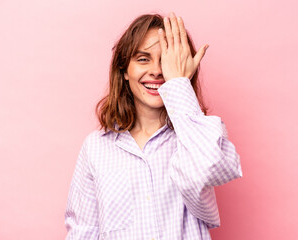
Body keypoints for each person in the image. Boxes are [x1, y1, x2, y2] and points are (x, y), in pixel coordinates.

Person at [64, 12, 243, 240]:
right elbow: (83, 231)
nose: (157, 71)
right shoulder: (95, 147)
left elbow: (216, 168)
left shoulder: (195, 136)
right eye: (143, 59)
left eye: (165, 61)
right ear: (124, 70)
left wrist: (178, 83)